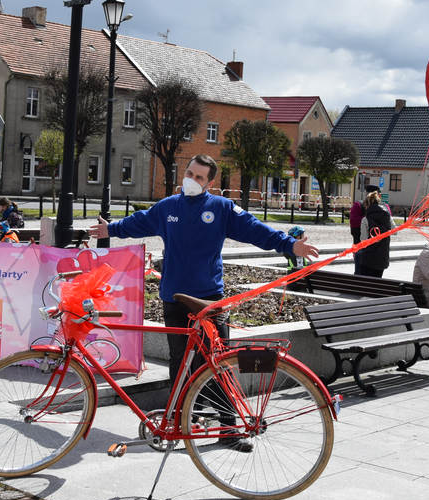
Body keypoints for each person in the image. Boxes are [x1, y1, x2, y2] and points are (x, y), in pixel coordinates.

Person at [89, 154, 319, 452]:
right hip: (174, 298)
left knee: (219, 364)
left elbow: (255, 229)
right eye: (189, 173)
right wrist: (112, 229)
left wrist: (289, 245)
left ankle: (229, 429)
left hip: (209, 300)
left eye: (199, 177)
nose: (192, 180)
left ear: (210, 183)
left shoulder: (221, 208)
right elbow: (139, 222)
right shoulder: (168, 207)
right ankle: (181, 423)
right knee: (180, 365)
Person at [357, 190, 393, 278]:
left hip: (368, 258)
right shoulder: (387, 216)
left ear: (367, 205)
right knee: (377, 281)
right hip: (382, 258)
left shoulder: (365, 219)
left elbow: (363, 240)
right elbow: (395, 230)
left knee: (366, 283)